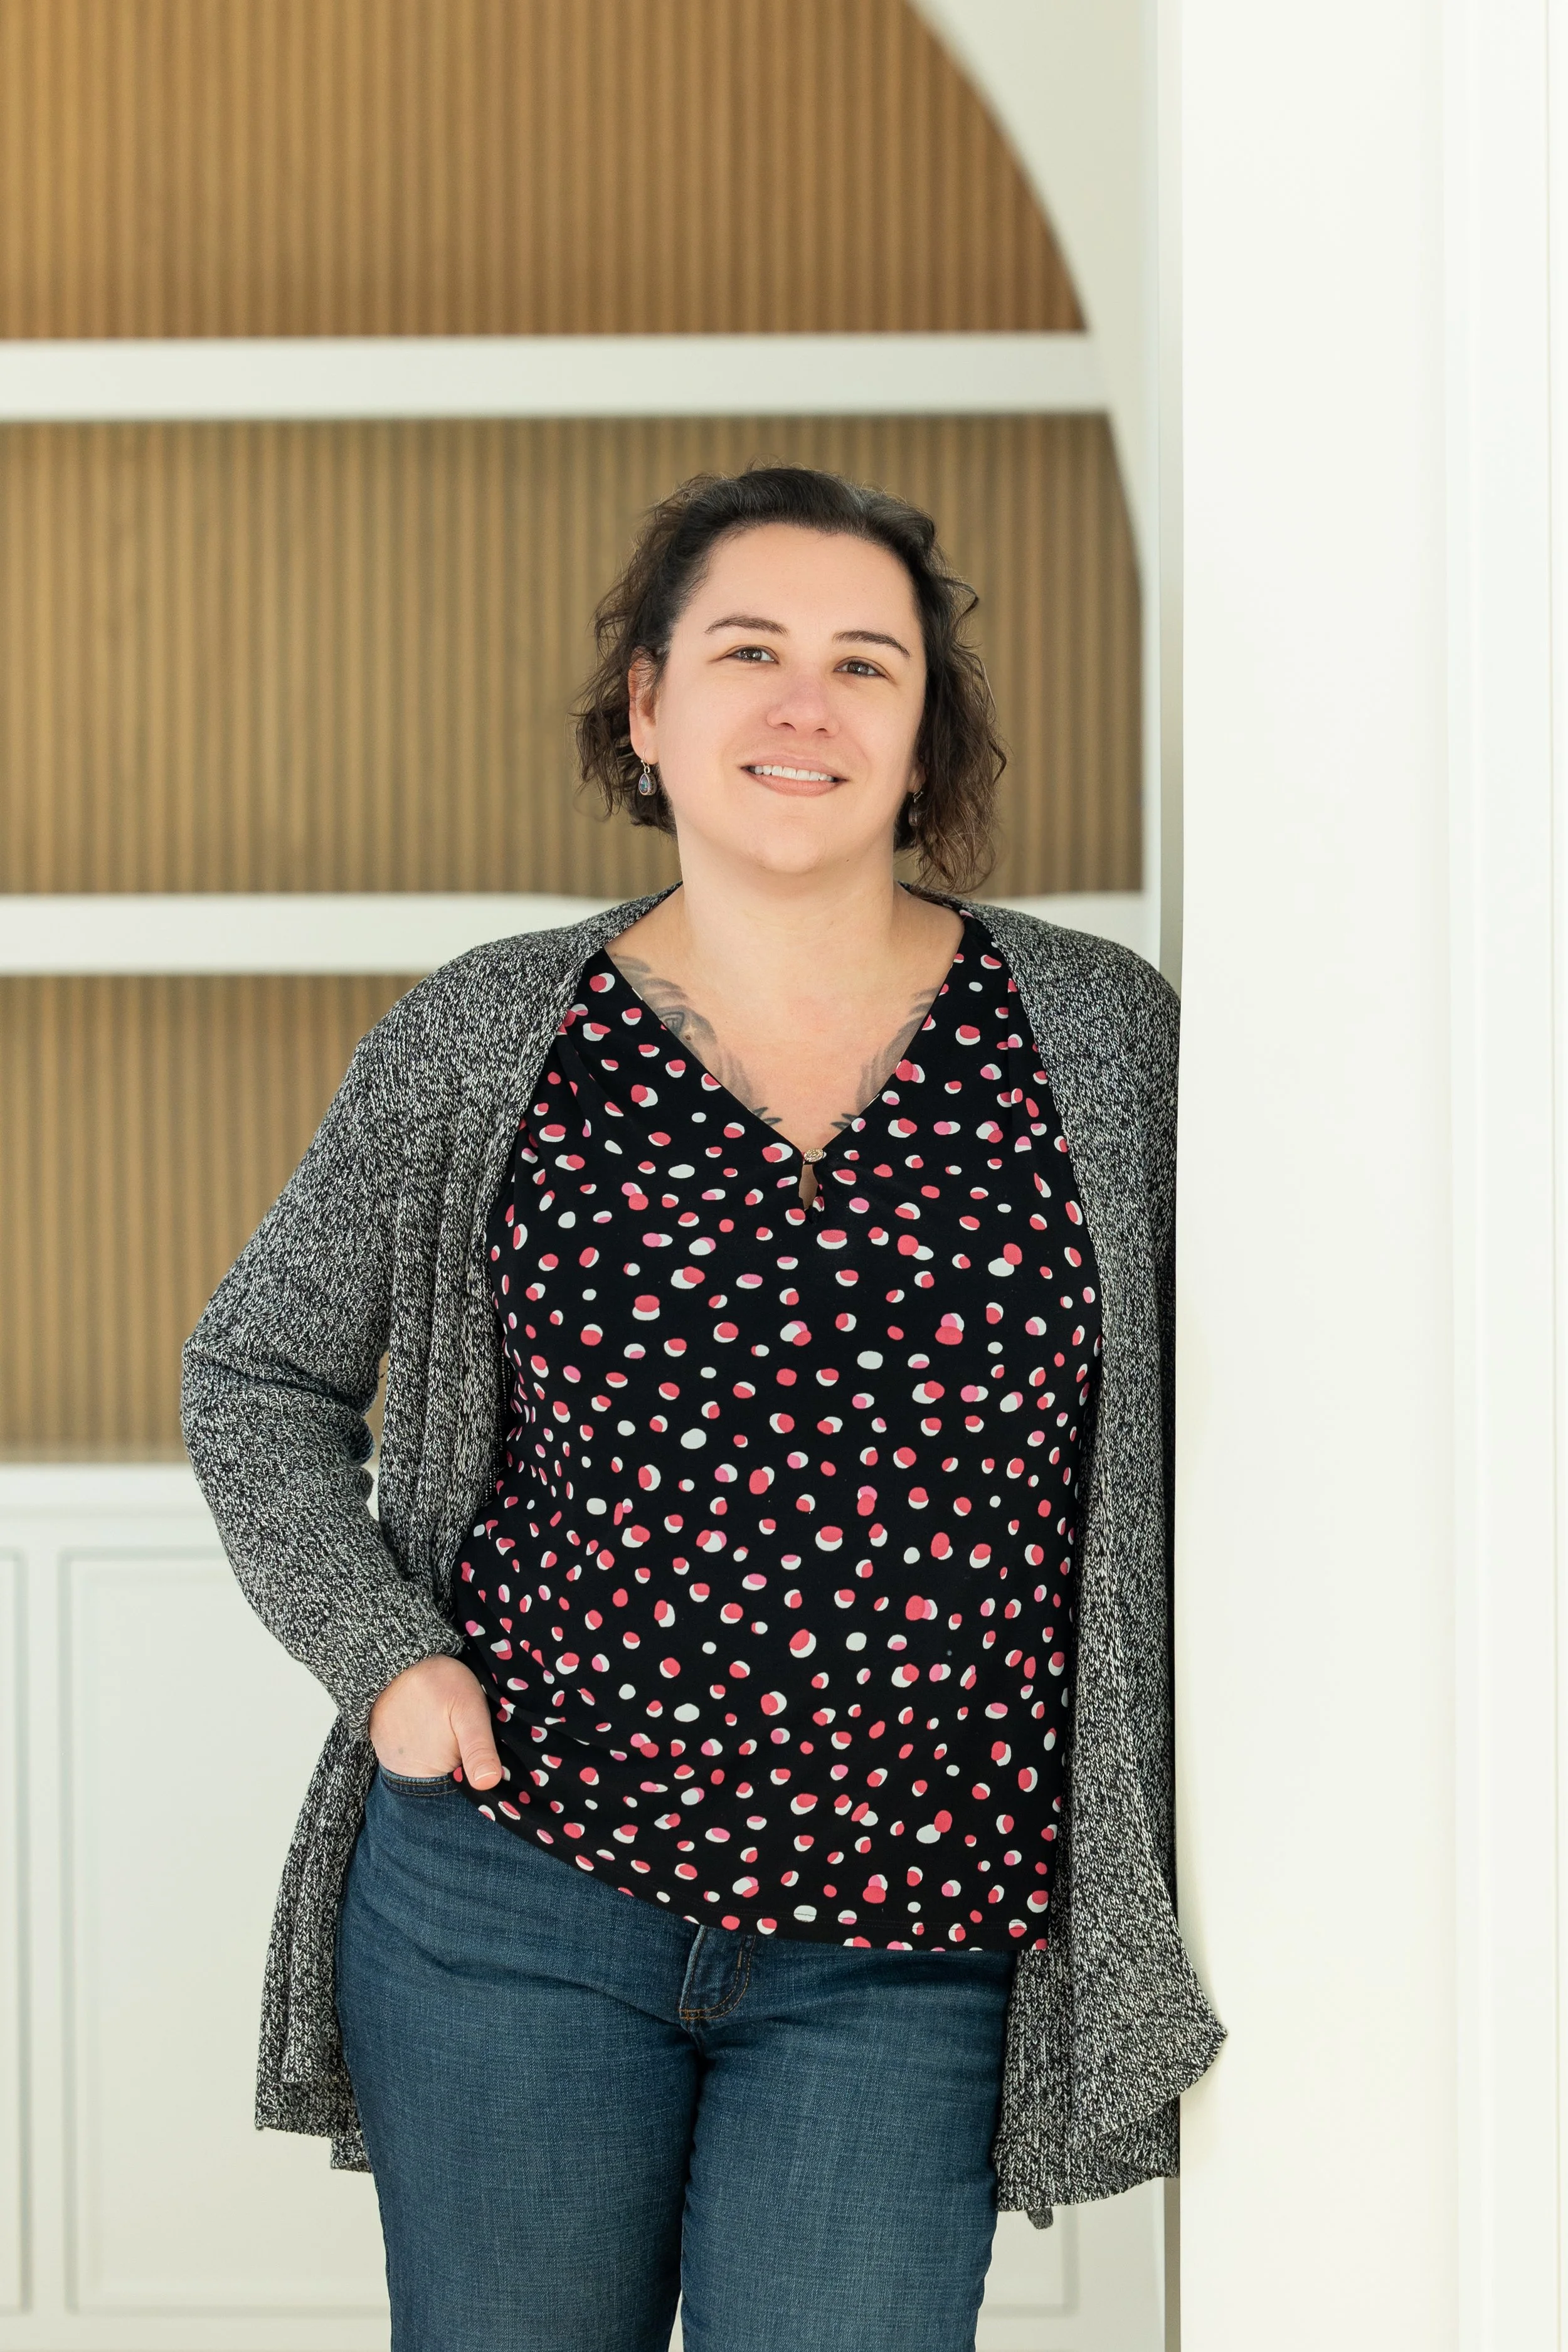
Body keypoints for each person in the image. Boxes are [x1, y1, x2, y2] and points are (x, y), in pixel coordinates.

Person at [183, 464, 1224, 2352]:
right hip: (520, 1900)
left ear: (924, 736)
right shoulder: (489, 1033)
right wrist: (391, 1662)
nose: (801, 703)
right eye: (746, 650)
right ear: (647, 708)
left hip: (910, 1942)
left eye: (863, 662)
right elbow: (256, 1372)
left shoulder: (1104, 1043)